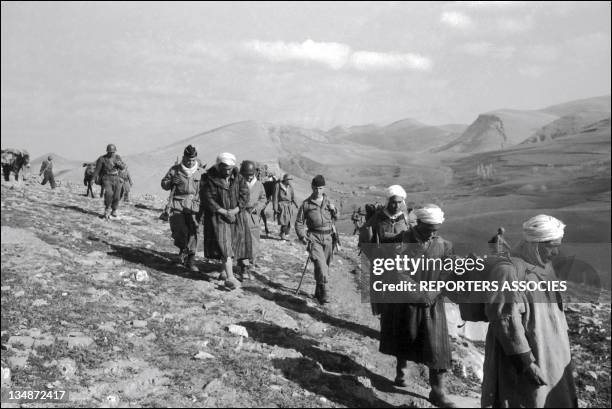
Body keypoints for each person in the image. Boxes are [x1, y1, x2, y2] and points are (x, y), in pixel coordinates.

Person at [481, 215, 577, 408]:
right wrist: (526, 364)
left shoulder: (543, 265)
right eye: (552, 245)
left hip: (551, 352)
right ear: (536, 244)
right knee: (527, 399)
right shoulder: (507, 271)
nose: (556, 252)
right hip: (528, 357)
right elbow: (505, 321)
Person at [379, 204, 457, 408]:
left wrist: (436, 290)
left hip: (432, 301)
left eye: (436, 229)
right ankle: (401, 369)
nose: (432, 232)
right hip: (406, 299)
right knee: (405, 335)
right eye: (429, 228)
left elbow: (448, 270)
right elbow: (397, 271)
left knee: (437, 347)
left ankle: (437, 391)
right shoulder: (402, 240)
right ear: (419, 222)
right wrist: (418, 293)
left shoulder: (444, 245)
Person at [201, 152, 249, 290]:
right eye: (224, 168)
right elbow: (207, 198)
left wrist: (235, 210)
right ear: (218, 166)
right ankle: (231, 277)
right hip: (218, 217)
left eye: (229, 169)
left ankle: (223, 271)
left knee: (231, 244)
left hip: (235, 217)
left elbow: (245, 194)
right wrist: (223, 211)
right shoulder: (209, 178)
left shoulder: (238, 178)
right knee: (225, 245)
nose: (227, 172)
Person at [360, 185, 411, 316]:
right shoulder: (378, 218)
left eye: (399, 202)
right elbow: (365, 239)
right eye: (393, 202)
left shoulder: (406, 218)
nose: (396, 206)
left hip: (401, 265)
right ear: (388, 201)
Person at [160, 145, 205, 273]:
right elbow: (164, 184)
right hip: (178, 203)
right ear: (184, 158)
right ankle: (182, 249)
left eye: (193, 160)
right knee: (179, 229)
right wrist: (170, 182)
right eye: (188, 159)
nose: (190, 162)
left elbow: (207, 190)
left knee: (194, 231)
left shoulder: (201, 172)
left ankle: (190, 259)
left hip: (195, 205)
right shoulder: (175, 170)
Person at [295, 175, 337, 304]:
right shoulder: (306, 204)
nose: (318, 191)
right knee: (320, 265)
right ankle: (324, 292)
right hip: (314, 238)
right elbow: (299, 222)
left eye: (321, 188)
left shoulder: (329, 202)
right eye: (316, 188)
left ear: (324, 188)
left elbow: (337, 216)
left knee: (324, 266)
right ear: (312, 187)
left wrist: (334, 210)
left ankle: (318, 289)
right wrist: (302, 236)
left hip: (329, 238)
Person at [237, 160, 267, 280]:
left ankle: (250, 264)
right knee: (242, 242)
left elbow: (263, 199)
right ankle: (244, 268)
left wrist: (257, 209)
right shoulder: (238, 183)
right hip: (241, 215)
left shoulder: (259, 185)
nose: (249, 177)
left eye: (251, 174)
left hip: (254, 218)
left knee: (254, 244)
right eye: (247, 174)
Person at [92, 144, 126, 219]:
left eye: (113, 152)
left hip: (117, 178)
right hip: (106, 178)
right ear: (107, 151)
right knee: (109, 194)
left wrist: (120, 165)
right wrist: (93, 179)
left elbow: (123, 167)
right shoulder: (102, 159)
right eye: (110, 152)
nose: (112, 153)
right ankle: (107, 208)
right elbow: (97, 170)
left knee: (117, 195)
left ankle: (114, 209)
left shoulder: (117, 157)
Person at [273, 173, 298, 241]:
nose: (290, 181)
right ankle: (283, 234)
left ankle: (283, 233)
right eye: (289, 179)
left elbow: (293, 196)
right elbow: (275, 197)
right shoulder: (278, 185)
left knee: (289, 221)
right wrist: (275, 207)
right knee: (284, 221)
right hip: (282, 205)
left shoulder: (290, 186)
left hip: (289, 206)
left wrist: (296, 204)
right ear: (285, 180)